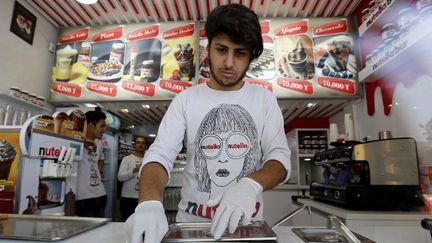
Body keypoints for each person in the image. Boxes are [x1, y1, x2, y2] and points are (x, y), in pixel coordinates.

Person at [126, 4, 291, 243]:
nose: (229, 62)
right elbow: (160, 154)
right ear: (208, 48)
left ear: (251, 56)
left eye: (240, 53)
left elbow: (280, 159)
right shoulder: (186, 99)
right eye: (222, 49)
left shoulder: (263, 100)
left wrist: (251, 184)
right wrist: (149, 202)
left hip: (247, 229)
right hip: (191, 227)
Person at [75, 107, 107, 217]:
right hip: (83, 197)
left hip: (100, 194)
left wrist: (100, 172)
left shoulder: (99, 143)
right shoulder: (75, 139)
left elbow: (101, 158)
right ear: (90, 126)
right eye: (101, 126)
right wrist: (83, 140)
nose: (104, 129)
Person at [117, 136, 147, 221]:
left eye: (143, 143)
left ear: (146, 146)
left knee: (142, 224)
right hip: (128, 198)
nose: (140, 145)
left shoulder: (148, 159)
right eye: (138, 142)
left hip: (143, 198)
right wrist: (134, 171)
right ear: (134, 145)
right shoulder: (127, 159)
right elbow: (120, 177)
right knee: (127, 223)